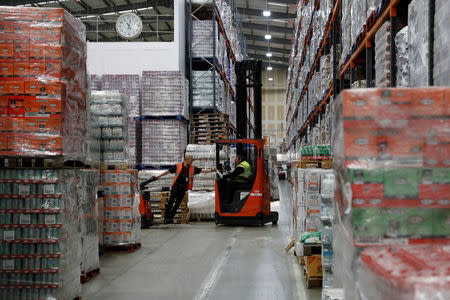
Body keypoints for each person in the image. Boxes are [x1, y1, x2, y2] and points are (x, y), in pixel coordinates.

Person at [153, 155, 215, 224]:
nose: (192, 161)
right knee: (171, 202)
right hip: (176, 187)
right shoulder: (178, 166)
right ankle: (166, 218)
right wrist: (158, 176)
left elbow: (201, 170)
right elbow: (168, 171)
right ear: (186, 159)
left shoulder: (192, 168)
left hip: (183, 188)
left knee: (177, 204)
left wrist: (211, 170)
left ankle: (170, 218)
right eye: (191, 160)